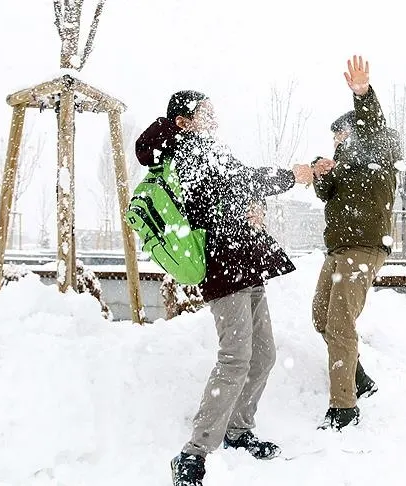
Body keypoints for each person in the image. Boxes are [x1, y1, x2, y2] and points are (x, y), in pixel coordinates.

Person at [135, 90, 315, 486]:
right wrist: (291, 175)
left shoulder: (210, 149)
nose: (214, 118)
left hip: (246, 263)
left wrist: (257, 207)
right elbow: (240, 182)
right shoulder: (184, 150)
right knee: (235, 357)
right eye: (205, 113)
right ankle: (193, 453)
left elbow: (239, 189)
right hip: (223, 266)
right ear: (184, 121)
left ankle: (238, 430)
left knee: (264, 354)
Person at [310, 55, 401, 431]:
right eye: (334, 138)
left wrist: (362, 93)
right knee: (321, 316)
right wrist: (320, 172)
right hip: (339, 250)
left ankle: (344, 407)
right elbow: (325, 194)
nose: (337, 142)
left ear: (356, 131)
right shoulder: (343, 165)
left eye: (341, 135)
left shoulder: (379, 149)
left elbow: (373, 125)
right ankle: (359, 377)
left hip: (364, 248)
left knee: (340, 323)